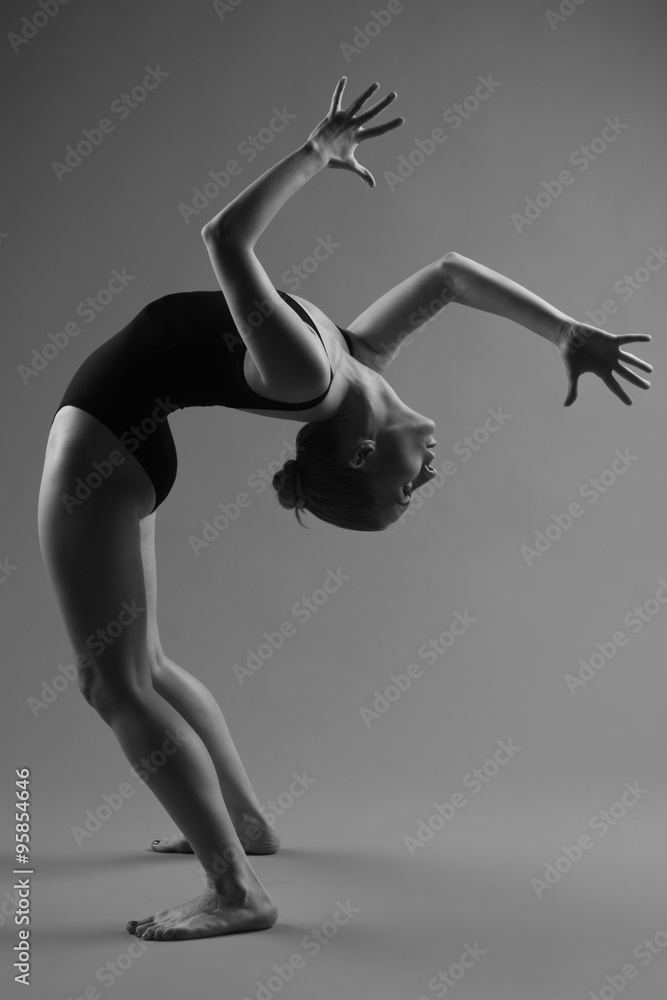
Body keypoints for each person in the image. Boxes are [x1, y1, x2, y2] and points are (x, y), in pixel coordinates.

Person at [37, 77, 652, 941]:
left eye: (408, 489)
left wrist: (313, 156)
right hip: (128, 442)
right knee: (146, 666)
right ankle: (246, 827)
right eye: (416, 488)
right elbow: (447, 276)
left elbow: (225, 238)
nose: (430, 474)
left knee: (112, 682)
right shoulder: (353, 359)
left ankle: (236, 890)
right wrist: (563, 332)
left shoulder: (309, 373)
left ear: (363, 454)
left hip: (100, 445)